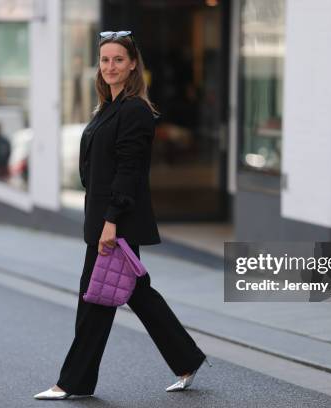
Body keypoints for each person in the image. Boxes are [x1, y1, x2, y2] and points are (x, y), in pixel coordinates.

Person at [34, 31, 209, 400]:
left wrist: (111, 221)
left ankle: (73, 382)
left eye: (117, 59)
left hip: (117, 221)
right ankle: (186, 359)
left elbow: (129, 170)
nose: (110, 66)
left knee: (96, 297)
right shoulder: (109, 107)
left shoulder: (134, 111)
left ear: (132, 65)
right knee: (132, 294)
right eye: (104, 60)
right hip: (104, 218)